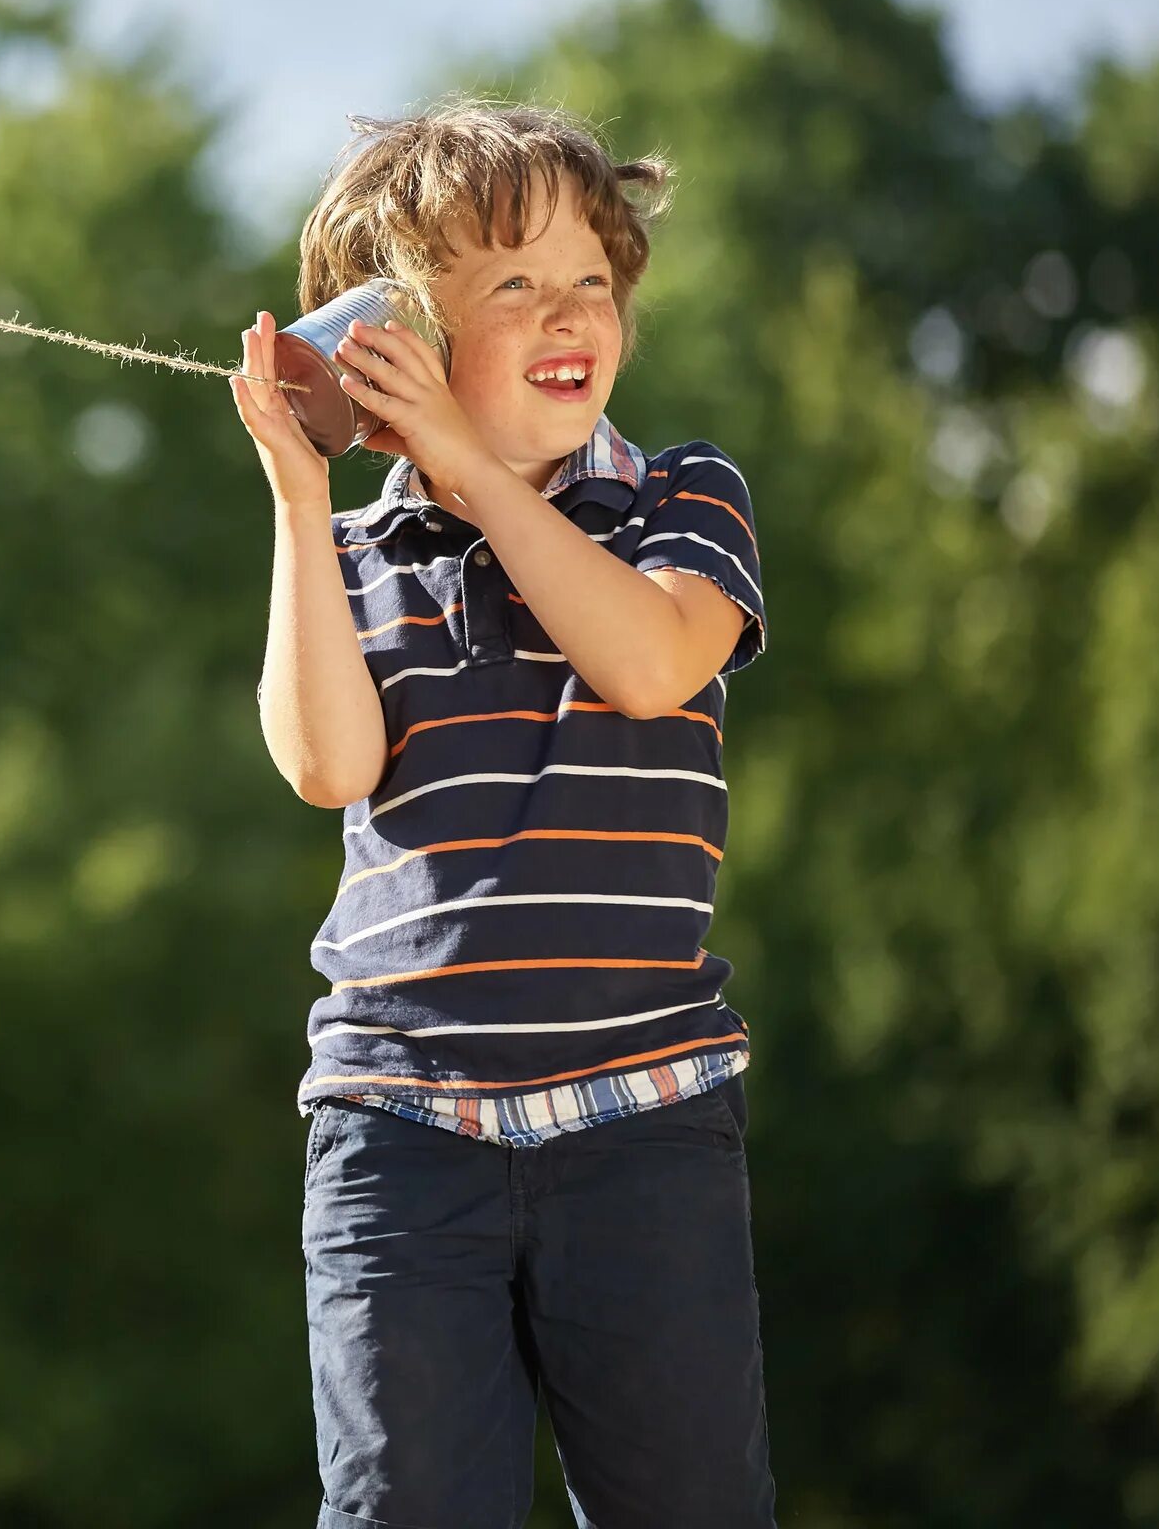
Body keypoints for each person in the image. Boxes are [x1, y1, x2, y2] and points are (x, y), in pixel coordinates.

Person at [229, 101, 777, 1528]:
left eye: (590, 278)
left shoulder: (681, 500)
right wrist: (301, 494)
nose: (569, 311)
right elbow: (326, 764)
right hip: (402, 1138)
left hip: (644, 1127)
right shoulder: (356, 553)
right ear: (397, 338)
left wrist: (479, 480)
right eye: (512, 285)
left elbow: (652, 663)